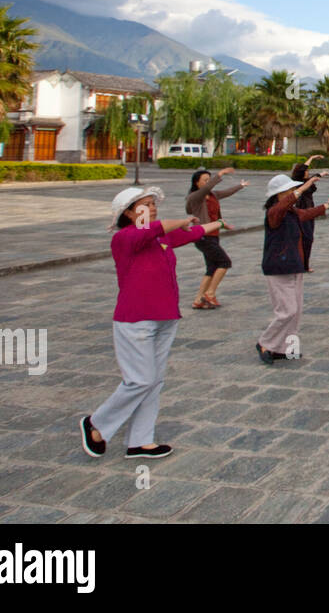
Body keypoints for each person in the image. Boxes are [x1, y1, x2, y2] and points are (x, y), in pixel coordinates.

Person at [81, 186, 220, 460]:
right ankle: (96, 424)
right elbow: (155, 229)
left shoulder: (159, 238)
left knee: (153, 381)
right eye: (144, 205)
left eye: (153, 203)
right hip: (135, 319)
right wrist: (181, 220)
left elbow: (186, 234)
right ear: (129, 214)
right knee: (140, 380)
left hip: (165, 316)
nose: (152, 208)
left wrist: (216, 223)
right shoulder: (125, 238)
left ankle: (140, 441)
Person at [257, 173, 329, 365]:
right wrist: (303, 188)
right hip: (278, 267)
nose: (294, 193)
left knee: (296, 312)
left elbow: (305, 215)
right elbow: (281, 208)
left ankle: (286, 349)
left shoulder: (291, 211)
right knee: (287, 311)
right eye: (290, 191)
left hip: (294, 265)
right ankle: (265, 342)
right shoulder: (274, 212)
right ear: (279, 194)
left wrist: (326, 206)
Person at [185, 166, 249, 309]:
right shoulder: (195, 197)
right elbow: (206, 189)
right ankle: (210, 293)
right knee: (224, 262)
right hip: (202, 235)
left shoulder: (213, 195)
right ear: (196, 183)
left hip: (213, 234)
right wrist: (220, 174)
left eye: (209, 179)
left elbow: (226, 192)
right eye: (205, 180)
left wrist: (240, 186)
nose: (208, 182)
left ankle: (198, 299)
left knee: (212, 267)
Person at [290, 156, 327, 272]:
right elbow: (303, 170)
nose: (307, 172)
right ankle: (303, 264)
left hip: (310, 211)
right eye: (306, 171)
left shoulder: (306, 181)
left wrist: (321, 174)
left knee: (308, 238)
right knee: (306, 238)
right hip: (302, 210)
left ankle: (304, 264)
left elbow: (313, 178)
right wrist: (312, 157)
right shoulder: (298, 182)